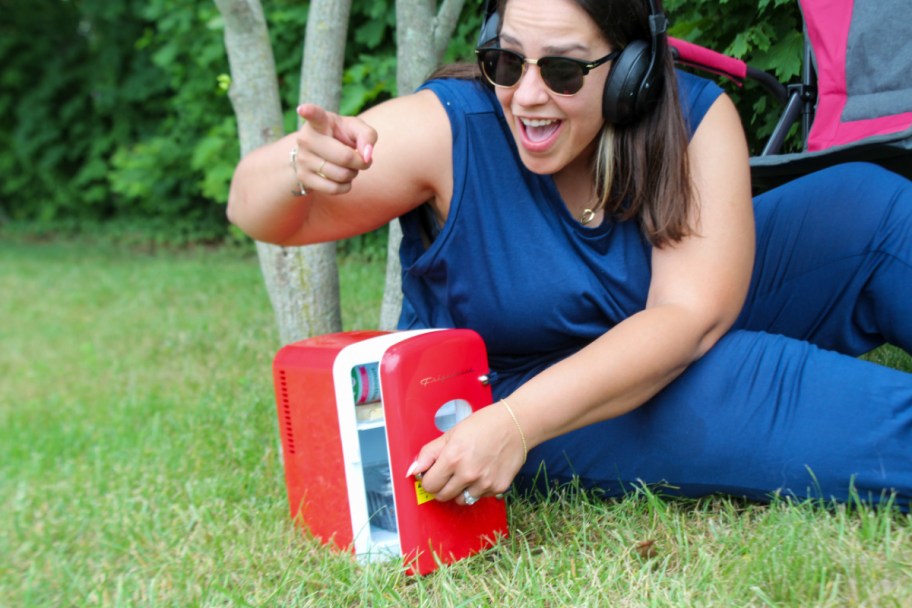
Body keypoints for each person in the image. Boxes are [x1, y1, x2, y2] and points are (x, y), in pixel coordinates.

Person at [227, 0, 912, 509]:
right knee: (742, 380)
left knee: (871, 207)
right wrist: (297, 167)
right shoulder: (449, 129)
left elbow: (686, 317)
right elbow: (252, 208)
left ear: (633, 71)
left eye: (561, 70)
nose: (526, 96)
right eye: (507, 61)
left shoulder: (692, 117)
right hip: (526, 398)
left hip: (671, 320)